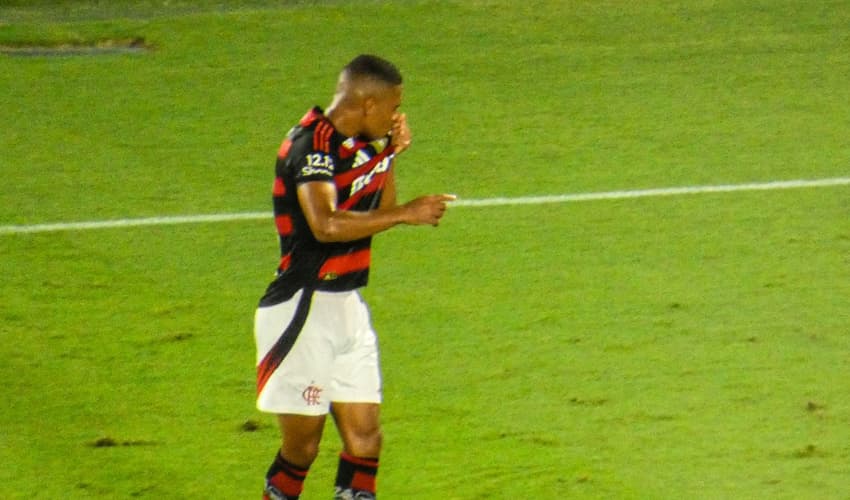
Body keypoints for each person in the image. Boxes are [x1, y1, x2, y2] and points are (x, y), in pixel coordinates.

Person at [254, 54, 455, 500]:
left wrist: (389, 155)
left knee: (366, 439)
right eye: (392, 106)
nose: (396, 115)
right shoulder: (311, 144)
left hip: (347, 306)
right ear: (367, 103)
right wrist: (408, 214)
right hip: (301, 308)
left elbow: (379, 213)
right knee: (302, 448)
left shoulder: (359, 145)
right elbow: (325, 224)